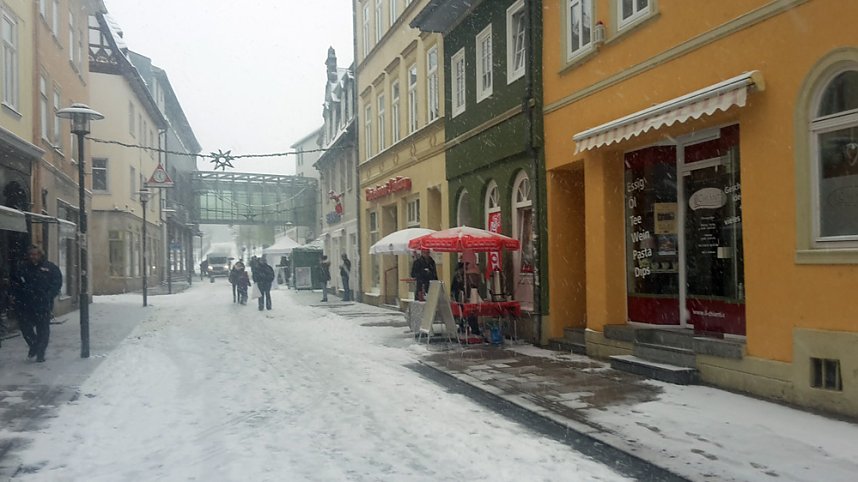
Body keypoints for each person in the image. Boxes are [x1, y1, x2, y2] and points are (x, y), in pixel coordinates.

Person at [12, 245, 62, 362]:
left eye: (35, 254)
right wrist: (16, 295)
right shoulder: (23, 268)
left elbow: (57, 283)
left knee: (43, 329)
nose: (32, 257)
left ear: (40, 255)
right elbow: (15, 283)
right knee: (25, 328)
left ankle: (40, 352)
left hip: (42, 304)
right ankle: (34, 345)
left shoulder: (50, 268)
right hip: (25, 304)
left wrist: (48, 295)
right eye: (30, 255)